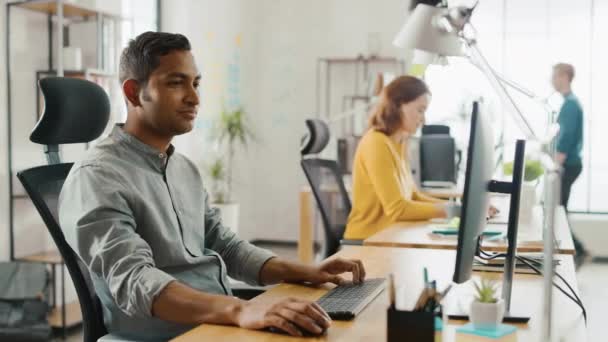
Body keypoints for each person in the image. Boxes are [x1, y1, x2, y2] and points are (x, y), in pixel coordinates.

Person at [58, 32, 365, 340]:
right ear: (135, 92)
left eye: (196, 83)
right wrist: (240, 310)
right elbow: (135, 280)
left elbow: (224, 245)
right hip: (173, 334)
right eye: (176, 83)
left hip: (216, 322)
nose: (194, 97)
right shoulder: (97, 176)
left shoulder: (182, 168)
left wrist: (304, 271)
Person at [344, 76, 454, 240]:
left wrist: (455, 208)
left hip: (388, 237)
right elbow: (397, 209)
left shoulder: (399, 142)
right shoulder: (376, 143)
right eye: (420, 110)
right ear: (398, 105)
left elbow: (413, 195)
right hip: (364, 242)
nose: (423, 119)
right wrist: (451, 210)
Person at [551, 63, 588, 267]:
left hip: (569, 165)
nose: (552, 80)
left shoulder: (571, 104)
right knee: (559, 209)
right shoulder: (569, 102)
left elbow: (565, 139)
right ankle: (578, 250)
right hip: (571, 164)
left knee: (557, 210)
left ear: (565, 76)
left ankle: (578, 250)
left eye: (554, 76)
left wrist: (555, 166)